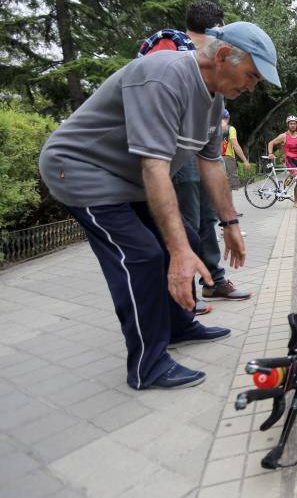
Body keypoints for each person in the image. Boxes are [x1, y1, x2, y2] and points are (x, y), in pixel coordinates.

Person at [39, 21, 281, 390]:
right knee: (142, 256)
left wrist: (229, 224)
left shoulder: (215, 99)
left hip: (127, 178)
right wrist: (177, 252)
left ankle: (179, 326)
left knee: (187, 239)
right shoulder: (162, 76)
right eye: (251, 75)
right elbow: (155, 166)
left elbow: (211, 163)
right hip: (80, 170)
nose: (251, 86)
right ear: (221, 57)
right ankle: (147, 366)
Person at [141, 0, 252, 308]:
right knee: (185, 217)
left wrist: (231, 223)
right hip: (176, 147)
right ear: (217, 26)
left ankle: (213, 281)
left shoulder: (217, 55)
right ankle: (182, 291)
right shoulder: (171, 46)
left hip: (200, 143)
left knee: (207, 214)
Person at [221, 110, 250, 190]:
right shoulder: (230, 129)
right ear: (228, 117)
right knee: (232, 183)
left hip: (213, 158)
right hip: (227, 157)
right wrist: (245, 160)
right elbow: (235, 145)